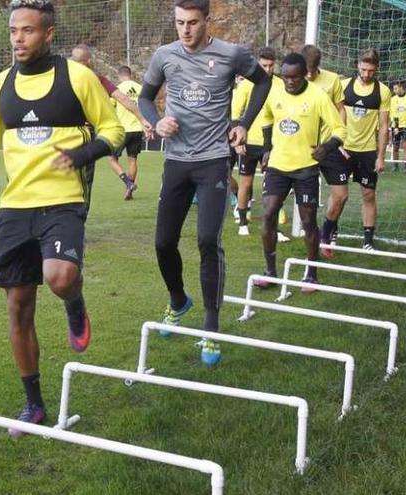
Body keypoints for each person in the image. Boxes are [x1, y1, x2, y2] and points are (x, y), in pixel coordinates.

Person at [0, 0, 123, 434]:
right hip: (15, 207)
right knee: (18, 307)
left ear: (49, 34)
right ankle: (33, 404)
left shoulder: (77, 77)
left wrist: (81, 154)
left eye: (28, 30)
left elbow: (113, 131)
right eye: (14, 30)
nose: (18, 38)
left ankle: (75, 303)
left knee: (60, 276)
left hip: (63, 200)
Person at [139, 0, 271, 364]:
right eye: (180, 22)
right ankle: (179, 300)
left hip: (214, 160)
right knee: (164, 242)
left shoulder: (231, 54)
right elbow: (146, 99)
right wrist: (157, 120)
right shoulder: (164, 55)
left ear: (207, 21)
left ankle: (211, 329)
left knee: (208, 240)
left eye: (193, 23)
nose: (185, 30)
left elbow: (264, 81)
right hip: (176, 161)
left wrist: (243, 120)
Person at [252, 53, 346, 291]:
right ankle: (270, 272)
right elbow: (266, 116)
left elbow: (340, 129)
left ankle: (311, 274)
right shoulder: (275, 93)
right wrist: (266, 148)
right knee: (269, 213)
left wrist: (327, 147)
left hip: (306, 168)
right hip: (278, 166)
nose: (290, 82)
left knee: (307, 222)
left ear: (305, 74)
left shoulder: (318, 97)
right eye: (285, 77)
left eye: (294, 77)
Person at [319, 49, 391, 252]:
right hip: (343, 149)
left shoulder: (383, 91)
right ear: (358, 65)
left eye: (371, 70)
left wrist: (380, 156)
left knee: (369, 195)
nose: (367, 74)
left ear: (376, 69)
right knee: (338, 195)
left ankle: (368, 240)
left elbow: (384, 126)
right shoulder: (343, 86)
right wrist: (335, 143)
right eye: (364, 69)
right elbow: (333, 115)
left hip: (367, 151)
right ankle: (331, 232)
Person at [70, 45, 152, 199]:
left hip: (64, 133)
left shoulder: (62, 77)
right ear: (88, 61)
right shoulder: (97, 79)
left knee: (66, 176)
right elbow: (123, 99)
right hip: (91, 133)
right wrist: (142, 119)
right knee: (88, 178)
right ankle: (128, 184)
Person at [231, 46, 278, 236]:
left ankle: (273, 226)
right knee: (246, 184)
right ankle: (243, 222)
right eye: (264, 65)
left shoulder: (280, 85)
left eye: (271, 65)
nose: (267, 69)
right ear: (258, 63)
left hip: (271, 145)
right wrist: (238, 140)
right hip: (248, 142)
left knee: (272, 186)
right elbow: (235, 114)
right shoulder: (246, 85)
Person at [108, 65, 146, 200]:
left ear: (119, 75)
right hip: (137, 129)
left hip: (123, 130)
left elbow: (110, 106)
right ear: (131, 75)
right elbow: (145, 106)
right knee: (132, 160)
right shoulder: (140, 88)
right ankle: (129, 190)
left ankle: (128, 183)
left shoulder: (117, 89)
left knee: (111, 159)